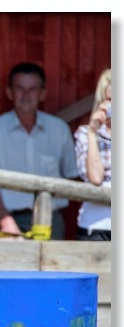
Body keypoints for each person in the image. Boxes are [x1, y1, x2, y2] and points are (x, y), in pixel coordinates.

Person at [0, 62, 79, 239]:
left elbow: (71, 175)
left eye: (32, 89)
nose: (26, 95)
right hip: (8, 220)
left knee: (52, 267)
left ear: (42, 93)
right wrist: (5, 220)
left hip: (51, 221)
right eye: (20, 89)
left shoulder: (59, 129)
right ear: (9, 92)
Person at [73, 69, 111, 241]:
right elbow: (95, 178)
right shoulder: (84, 134)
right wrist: (92, 133)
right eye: (110, 100)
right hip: (96, 227)